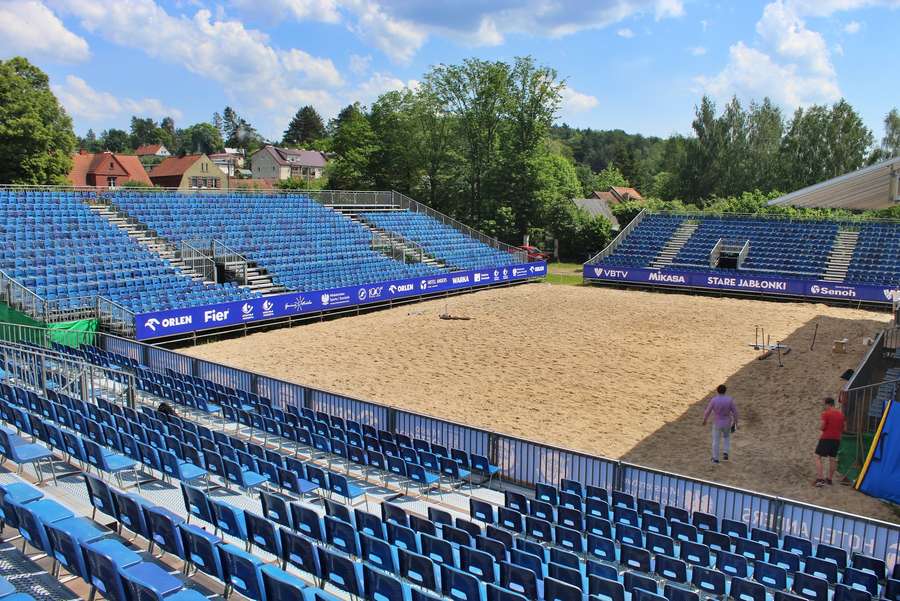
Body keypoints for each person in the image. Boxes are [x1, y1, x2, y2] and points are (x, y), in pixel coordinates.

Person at [703, 384, 738, 464]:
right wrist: (736, 422)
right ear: (725, 391)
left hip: (717, 422)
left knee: (716, 441)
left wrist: (705, 420)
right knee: (726, 438)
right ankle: (726, 453)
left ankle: (715, 459)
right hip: (727, 422)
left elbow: (707, 411)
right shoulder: (729, 400)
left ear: (717, 391)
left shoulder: (714, 400)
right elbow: (735, 412)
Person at [815, 397, 845, 487]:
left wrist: (820, 428)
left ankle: (820, 479)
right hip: (837, 439)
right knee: (832, 458)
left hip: (826, 438)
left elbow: (822, 426)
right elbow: (844, 428)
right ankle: (829, 479)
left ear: (828, 404)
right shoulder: (841, 415)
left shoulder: (826, 414)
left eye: (824, 404)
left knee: (817, 457)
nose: (823, 406)